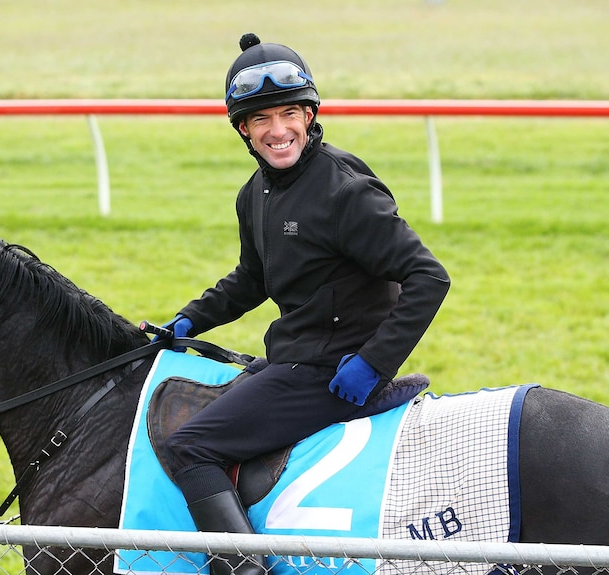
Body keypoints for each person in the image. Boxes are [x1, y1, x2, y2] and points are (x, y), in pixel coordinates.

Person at [160, 33, 450, 575]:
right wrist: (189, 319)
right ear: (242, 129)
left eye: (290, 113)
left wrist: (373, 363)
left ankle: (247, 567)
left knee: (189, 447)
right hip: (293, 357)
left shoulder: (345, 191)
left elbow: (428, 276)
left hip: (331, 372)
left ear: (311, 114)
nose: (279, 131)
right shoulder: (255, 192)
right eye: (262, 119)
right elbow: (253, 277)